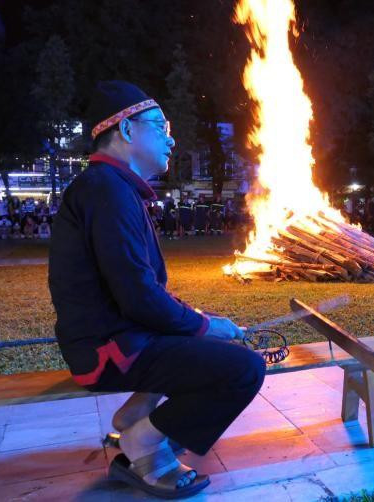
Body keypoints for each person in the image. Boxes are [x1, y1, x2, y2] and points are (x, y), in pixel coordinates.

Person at [48, 81, 265, 499]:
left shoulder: (111, 188)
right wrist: (202, 326)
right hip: (108, 351)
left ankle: (138, 416)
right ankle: (144, 446)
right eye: (160, 124)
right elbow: (138, 296)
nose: (171, 136)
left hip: (121, 337)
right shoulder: (106, 190)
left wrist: (194, 321)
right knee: (243, 368)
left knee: (205, 345)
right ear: (126, 130)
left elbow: (138, 289)